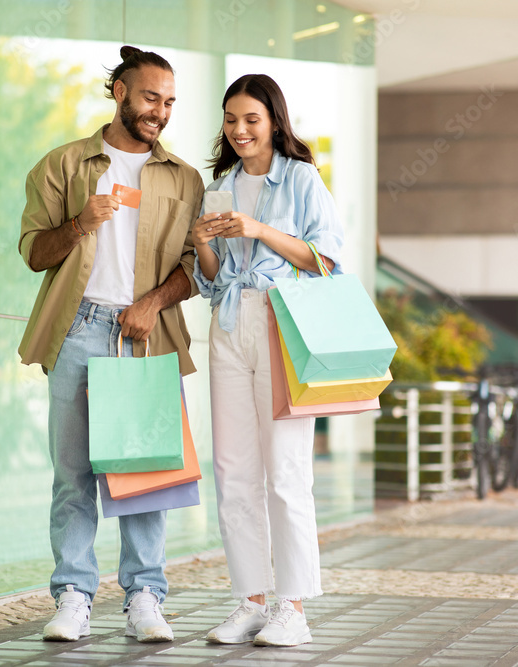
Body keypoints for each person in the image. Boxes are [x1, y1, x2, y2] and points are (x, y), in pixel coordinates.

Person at [17, 46, 204, 643]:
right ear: (119, 93)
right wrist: (81, 224)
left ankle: (146, 597)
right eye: (151, 97)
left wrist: (151, 304)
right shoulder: (64, 165)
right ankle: (73, 595)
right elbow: (33, 253)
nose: (161, 111)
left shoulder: (184, 177)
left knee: (145, 472)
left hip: (145, 334)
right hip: (77, 329)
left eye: (170, 101)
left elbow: (196, 264)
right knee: (72, 473)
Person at [192, 74, 343, 647]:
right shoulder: (221, 185)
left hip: (282, 324)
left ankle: (294, 608)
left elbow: (326, 260)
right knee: (233, 473)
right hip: (228, 324)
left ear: (274, 121)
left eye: (251, 119)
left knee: (285, 473)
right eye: (231, 120)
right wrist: (202, 239)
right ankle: (250, 601)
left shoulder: (301, 178)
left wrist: (260, 230)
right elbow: (209, 279)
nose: (238, 130)